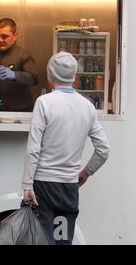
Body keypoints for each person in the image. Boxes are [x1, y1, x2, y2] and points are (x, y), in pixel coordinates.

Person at [22, 52, 110, 245]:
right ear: (74, 76)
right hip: (69, 187)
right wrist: (85, 173)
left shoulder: (44, 102)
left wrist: (27, 185)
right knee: (62, 240)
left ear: (50, 76)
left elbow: (33, 149)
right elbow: (103, 149)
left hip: (43, 186)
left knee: (43, 240)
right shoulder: (87, 107)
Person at [0, 18, 39, 111]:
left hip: (21, 112)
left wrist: (15, 75)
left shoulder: (23, 55)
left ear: (15, 36)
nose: (0, 40)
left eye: (5, 36)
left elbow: (34, 78)